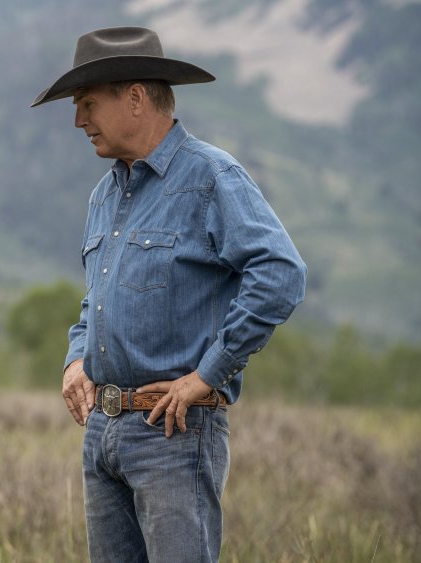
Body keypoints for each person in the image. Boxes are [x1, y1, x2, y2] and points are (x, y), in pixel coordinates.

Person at [31, 27, 307, 562]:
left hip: (174, 435)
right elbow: (97, 299)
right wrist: (75, 360)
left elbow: (280, 273)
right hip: (103, 432)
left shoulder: (211, 177)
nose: (77, 120)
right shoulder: (104, 196)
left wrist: (208, 375)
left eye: (87, 103)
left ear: (134, 98)